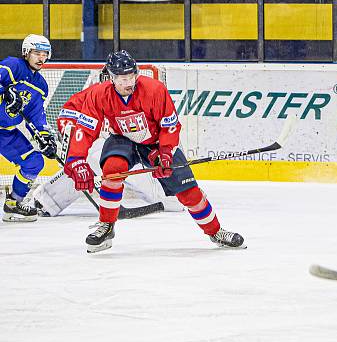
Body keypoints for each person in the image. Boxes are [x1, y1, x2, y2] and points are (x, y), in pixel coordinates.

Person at [63, 50, 245, 253]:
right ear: (112, 78)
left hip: (158, 143)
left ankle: (216, 232)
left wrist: (165, 153)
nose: (129, 82)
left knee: (189, 193)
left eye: (132, 75)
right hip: (123, 140)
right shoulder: (99, 94)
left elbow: (170, 126)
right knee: (113, 170)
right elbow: (85, 130)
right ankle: (106, 226)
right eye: (123, 78)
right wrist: (76, 159)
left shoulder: (154, 89)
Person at [31, 67, 183, 217]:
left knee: (126, 168)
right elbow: (67, 116)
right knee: (87, 165)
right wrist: (72, 136)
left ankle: (171, 194)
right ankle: (46, 201)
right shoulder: (94, 95)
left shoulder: (133, 97)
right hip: (94, 145)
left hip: (118, 144)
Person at [0, 34, 58, 222]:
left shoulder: (41, 85)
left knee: (34, 161)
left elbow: (35, 116)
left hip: (6, 133)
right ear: (26, 53)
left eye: (45, 54)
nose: (41, 58)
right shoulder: (13, 66)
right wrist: (6, 92)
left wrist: (45, 137)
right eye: (37, 53)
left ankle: (13, 204)